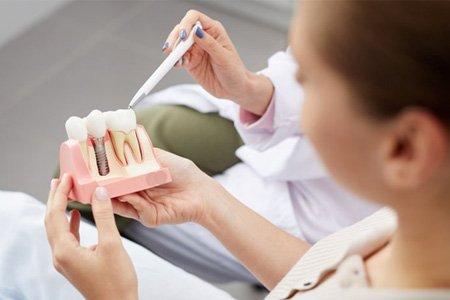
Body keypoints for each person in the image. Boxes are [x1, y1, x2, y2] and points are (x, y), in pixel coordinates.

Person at [47, 1, 450, 299]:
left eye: (307, 80)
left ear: (404, 149)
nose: (294, 89)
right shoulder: (407, 230)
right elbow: (319, 275)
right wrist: (207, 200)